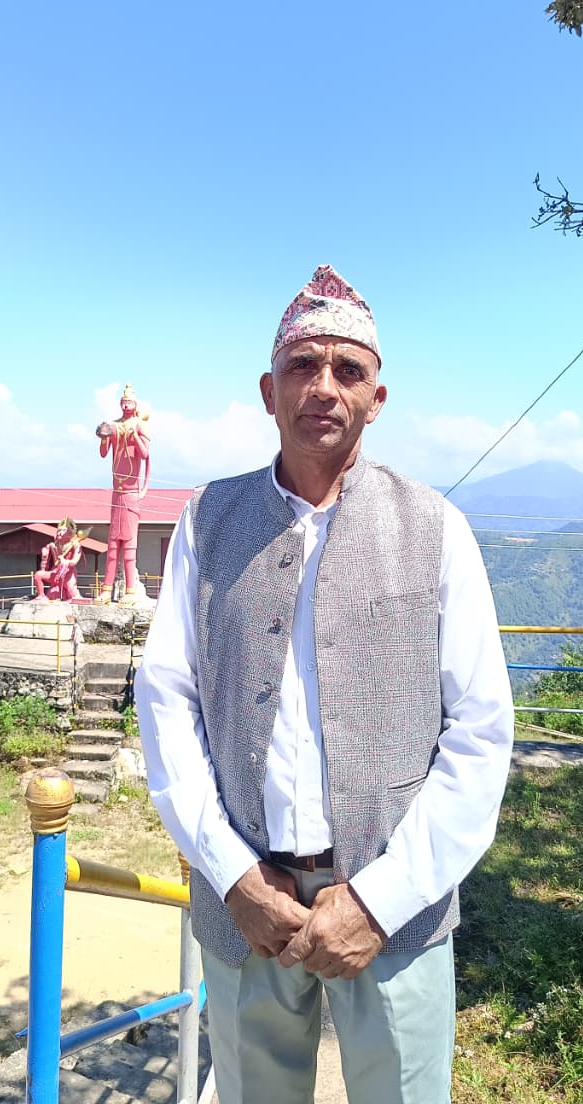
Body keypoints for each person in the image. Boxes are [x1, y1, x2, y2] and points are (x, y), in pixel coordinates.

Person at [136, 265, 514, 1104]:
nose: (324, 386)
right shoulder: (206, 521)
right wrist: (232, 874)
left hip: (398, 909)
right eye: (303, 365)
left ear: (376, 399)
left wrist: (379, 902)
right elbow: (167, 701)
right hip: (245, 907)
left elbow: (482, 730)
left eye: (348, 370)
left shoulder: (436, 528)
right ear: (268, 391)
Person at [95, 384, 151, 603]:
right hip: (116, 491)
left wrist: (135, 435)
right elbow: (103, 453)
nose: (126, 405)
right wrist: (104, 437)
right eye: (123, 402)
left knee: (129, 544)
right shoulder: (115, 425)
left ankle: (130, 591)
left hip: (131, 492)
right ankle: (106, 590)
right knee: (112, 545)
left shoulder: (139, 425)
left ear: (135, 404)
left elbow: (144, 454)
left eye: (129, 402)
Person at [33, 519, 86, 602]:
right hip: (55, 572)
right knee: (38, 575)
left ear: (70, 533)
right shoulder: (53, 545)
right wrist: (44, 554)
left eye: (63, 531)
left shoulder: (76, 546)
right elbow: (45, 561)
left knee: (73, 594)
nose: (60, 533)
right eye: (58, 531)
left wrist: (65, 561)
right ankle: (41, 595)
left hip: (68, 573)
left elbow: (74, 562)